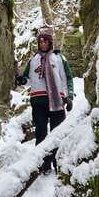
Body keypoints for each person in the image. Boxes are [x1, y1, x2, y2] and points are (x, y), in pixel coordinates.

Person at [15, 28, 74, 170]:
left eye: (45, 41)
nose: (42, 43)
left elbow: (67, 78)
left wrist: (69, 96)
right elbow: (28, 79)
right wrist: (22, 80)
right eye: (40, 41)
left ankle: (59, 163)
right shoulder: (33, 59)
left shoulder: (59, 58)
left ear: (50, 42)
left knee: (57, 134)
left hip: (57, 101)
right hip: (38, 101)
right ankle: (43, 165)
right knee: (41, 134)